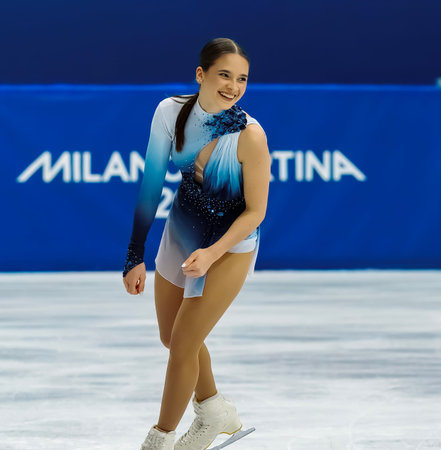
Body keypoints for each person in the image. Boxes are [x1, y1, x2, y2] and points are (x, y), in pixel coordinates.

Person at [122, 37, 271, 450]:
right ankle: (214, 409)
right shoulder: (170, 112)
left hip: (230, 246)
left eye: (242, 79)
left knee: (184, 344)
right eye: (225, 75)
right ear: (201, 74)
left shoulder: (250, 136)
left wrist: (212, 253)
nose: (233, 86)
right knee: (172, 337)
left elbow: (255, 212)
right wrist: (135, 255)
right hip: (181, 232)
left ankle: (161, 439)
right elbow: (152, 185)